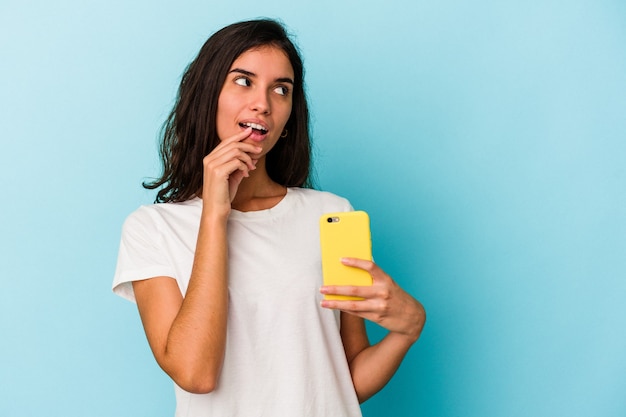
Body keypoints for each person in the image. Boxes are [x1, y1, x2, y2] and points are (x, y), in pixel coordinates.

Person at [112, 18, 426, 417]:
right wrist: (214, 214)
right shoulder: (152, 229)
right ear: (207, 94)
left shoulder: (330, 214)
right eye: (243, 81)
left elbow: (340, 383)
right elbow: (196, 374)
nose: (263, 102)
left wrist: (409, 327)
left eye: (281, 89)